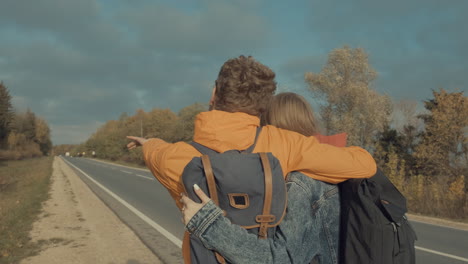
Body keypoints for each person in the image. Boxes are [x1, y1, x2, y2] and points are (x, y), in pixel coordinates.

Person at [127, 56, 376, 262]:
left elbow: (155, 153)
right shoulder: (286, 144)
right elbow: (364, 165)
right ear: (264, 105)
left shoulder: (175, 157)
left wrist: (147, 143)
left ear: (214, 93)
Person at [179, 92, 346, 264]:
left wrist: (207, 223)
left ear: (271, 131)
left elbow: (282, 259)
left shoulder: (301, 184)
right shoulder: (328, 172)